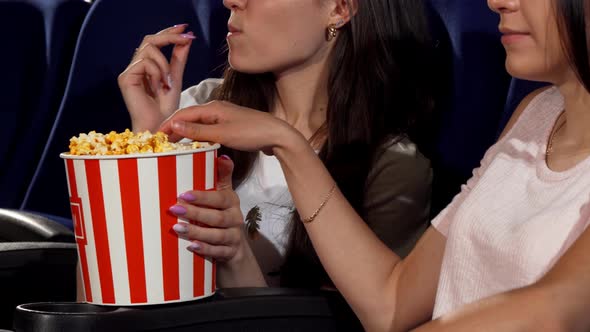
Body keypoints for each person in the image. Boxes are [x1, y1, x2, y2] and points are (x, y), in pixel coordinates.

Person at [159, 0, 590, 330]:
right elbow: (392, 305)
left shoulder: (394, 160)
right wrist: (285, 142)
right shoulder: (536, 113)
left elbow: (554, 312)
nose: (498, 1)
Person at [117, 0, 434, 289]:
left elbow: (370, 316)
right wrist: (146, 141)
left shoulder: (391, 166)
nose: (231, 1)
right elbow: (107, 294)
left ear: (339, 8)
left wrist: (236, 258)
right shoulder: (198, 109)